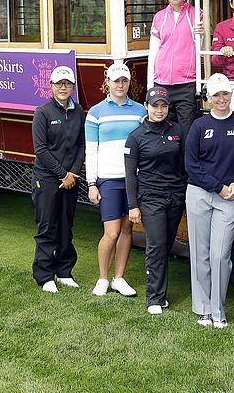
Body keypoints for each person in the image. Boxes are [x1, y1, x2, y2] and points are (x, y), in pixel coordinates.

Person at [184, 73, 234, 328]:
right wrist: (218, 187)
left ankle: (218, 310)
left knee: (220, 255)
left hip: (230, 197)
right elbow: (191, 164)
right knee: (200, 253)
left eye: (225, 94)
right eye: (216, 95)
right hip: (201, 194)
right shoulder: (199, 126)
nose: (221, 99)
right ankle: (203, 309)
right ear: (208, 98)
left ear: (231, 95)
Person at [85, 62, 147, 297]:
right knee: (111, 232)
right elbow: (91, 150)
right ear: (107, 83)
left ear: (129, 82)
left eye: (124, 81)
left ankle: (118, 278)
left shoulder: (140, 111)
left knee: (126, 229)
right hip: (108, 179)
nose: (120, 85)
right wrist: (92, 183)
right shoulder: (96, 113)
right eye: (116, 81)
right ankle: (102, 278)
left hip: (132, 179)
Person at [124, 86, 187, 315]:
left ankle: (161, 294)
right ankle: (154, 298)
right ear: (146, 107)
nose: (159, 110)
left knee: (166, 246)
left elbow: (183, 164)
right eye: (155, 106)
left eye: (163, 106)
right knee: (156, 245)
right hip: (151, 198)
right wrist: (133, 205)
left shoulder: (177, 130)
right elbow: (130, 174)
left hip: (175, 196)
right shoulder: (136, 137)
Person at [30, 65, 86, 293]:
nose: (63, 87)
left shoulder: (78, 111)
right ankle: (44, 276)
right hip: (48, 178)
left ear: (73, 86)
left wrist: (72, 173)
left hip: (71, 178)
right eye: (59, 83)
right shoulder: (42, 112)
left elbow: (82, 144)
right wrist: (62, 174)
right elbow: (40, 150)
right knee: (47, 226)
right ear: (51, 86)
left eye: (67, 83)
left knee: (66, 226)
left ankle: (64, 272)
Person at [147, 0, 203, 142]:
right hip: (162, 84)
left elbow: (199, 47)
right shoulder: (159, 18)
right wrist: (151, 85)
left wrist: (200, 35)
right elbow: (153, 53)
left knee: (185, 133)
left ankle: (185, 168)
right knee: (164, 133)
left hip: (186, 84)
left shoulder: (196, 13)